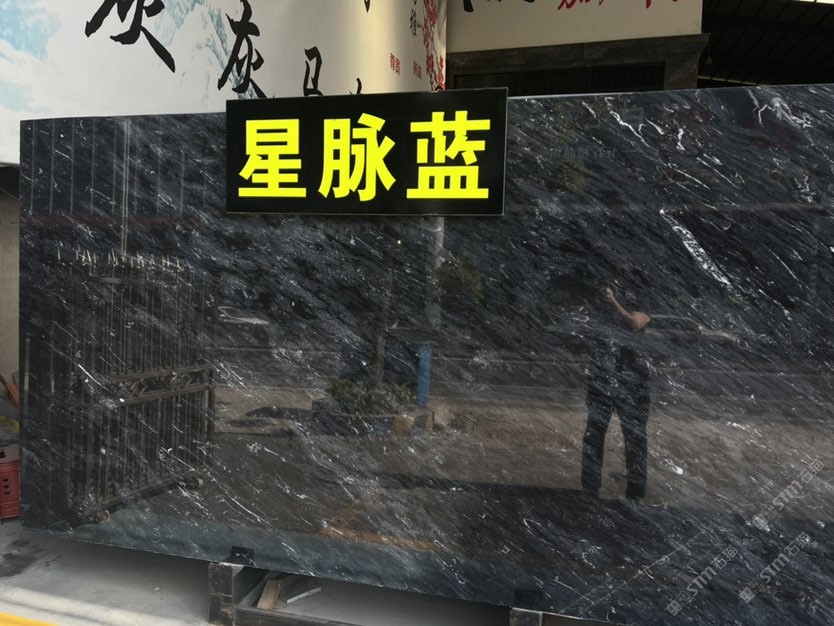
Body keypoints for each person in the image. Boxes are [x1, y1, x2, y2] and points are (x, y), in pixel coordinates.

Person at [581, 279, 651, 500]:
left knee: (635, 439)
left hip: (632, 383)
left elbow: (635, 324)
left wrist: (614, 303)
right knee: (593, 436)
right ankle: (590, 490)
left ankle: (635, 495)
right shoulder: (598, 305)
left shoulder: (639, 298)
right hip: (601, 378)